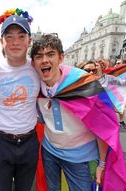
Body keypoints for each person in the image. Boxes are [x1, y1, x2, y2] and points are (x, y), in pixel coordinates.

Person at [30, 34, 126, 191]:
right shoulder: (35, 85)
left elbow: (104, 128)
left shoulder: (84, 84)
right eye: (39, 56)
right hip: (49, 152)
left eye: (50, 54)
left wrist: (102, 163)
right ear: (33, 63)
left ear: (61, 57)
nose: (45, 60)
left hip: (80, 158)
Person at [0, 8, 40, 191]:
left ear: (29, 41)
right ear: (1, 41)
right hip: (1, 143)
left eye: (21, 36)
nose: (15, 42)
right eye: (9, 36)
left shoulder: (39, 69)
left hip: (30, 142)